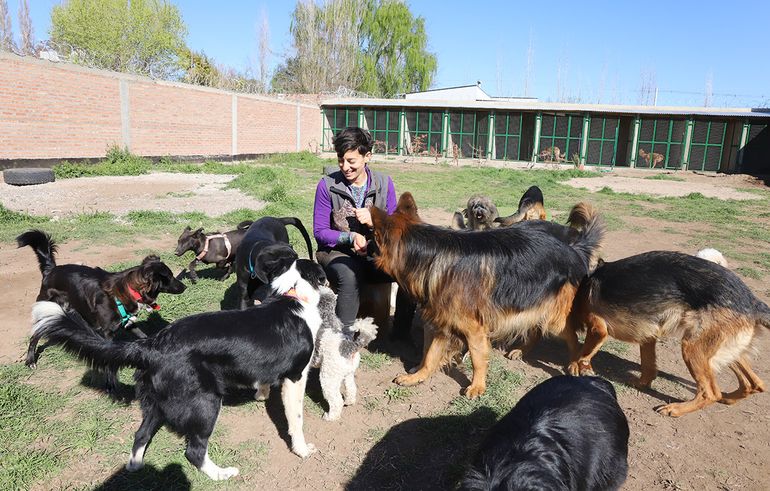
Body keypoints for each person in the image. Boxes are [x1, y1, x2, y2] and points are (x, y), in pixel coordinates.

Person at [313, 127, 415, 340]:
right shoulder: (327, 186)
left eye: (352, 161)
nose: (345, 167)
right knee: (349, 275)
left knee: (409, 272)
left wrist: (375, 222)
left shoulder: (385, 183)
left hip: (375, 252)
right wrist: (349, 237)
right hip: (336, 253)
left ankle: (400, 334)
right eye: (341, 160)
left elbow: (396, 230)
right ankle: (342, 339)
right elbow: (320, 232)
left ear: (367, 156)